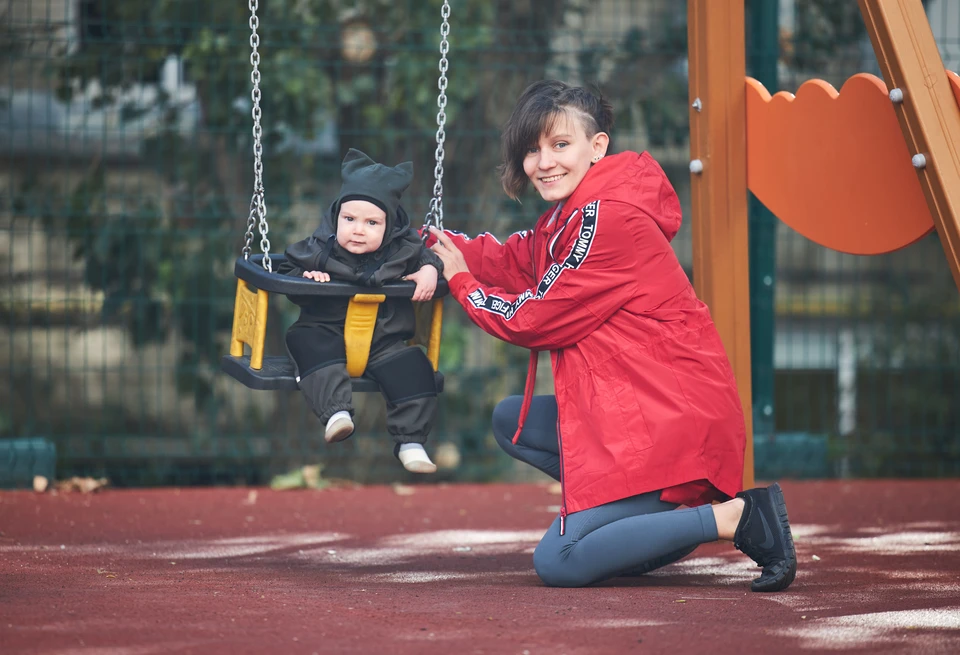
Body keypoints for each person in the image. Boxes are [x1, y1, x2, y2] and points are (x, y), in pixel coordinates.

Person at [428, 80, 797, 590]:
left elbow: (535, 317)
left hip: (673, 431)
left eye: (560, 145)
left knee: (558, 561)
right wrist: (429, 246)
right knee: (511, 419)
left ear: (597, 147)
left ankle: (733, 518)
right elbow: (514, 259)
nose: (543, 162)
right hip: (640, 417)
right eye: (532, 150)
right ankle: (644, 527)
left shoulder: (608, 219)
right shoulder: (570, 213)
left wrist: (459, 282)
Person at [278, 148, 443, 474]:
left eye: (372, 222)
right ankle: (337, 413)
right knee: (304, 342)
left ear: (391, 226)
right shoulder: (319, 247)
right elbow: (286, 271)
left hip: (384, 341)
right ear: (336, 216)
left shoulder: (404, 250)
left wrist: (429, 272)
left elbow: (428, 258)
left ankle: (411, 441)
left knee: (416, 368)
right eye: (349, 219)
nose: (357, 229)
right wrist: (306, 278)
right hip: (327, 331)